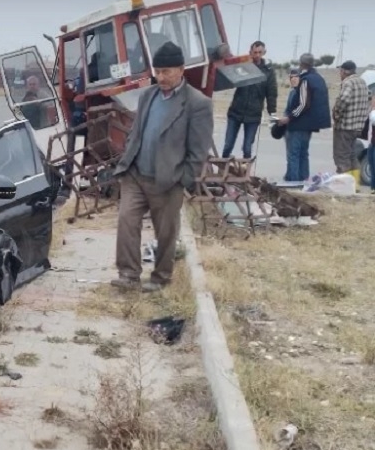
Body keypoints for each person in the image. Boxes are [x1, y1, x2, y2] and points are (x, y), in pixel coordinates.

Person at [111, 42, 213, 293]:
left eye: (166, 71)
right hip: (135, 174)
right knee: (126, 221)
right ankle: (129, 274)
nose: (161, 77)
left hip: (167, 180)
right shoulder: (148, 95)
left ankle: (160, 277)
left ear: (181, 70)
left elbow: (199, 150)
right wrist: (127, 157)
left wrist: (184, 179)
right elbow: (137, 130)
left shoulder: (197, 103)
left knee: (166, 232)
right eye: (157, 71)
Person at [278, 53, 332, 182]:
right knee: (303, 154)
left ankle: (293, 182)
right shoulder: (318, 78)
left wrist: (289, 118)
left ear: (301, 64)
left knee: (294, 154)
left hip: (298, 124)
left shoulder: (305, 80)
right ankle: (304, 181)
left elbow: (303, 104)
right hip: (309, 125)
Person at [222, 41, 278, 158]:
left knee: (247, 148)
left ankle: (245, 173)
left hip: (254, 115)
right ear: (250, 52)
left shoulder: (268, 72)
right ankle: (222, 171)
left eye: (260, 52)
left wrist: (272, 113)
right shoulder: (243, 66)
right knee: (228, 145)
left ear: (264, 53)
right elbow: (228, 73)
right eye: (255, 52)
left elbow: (271, 93)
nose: (257, 55)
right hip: (235, 112)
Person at [332, 60, 370, 185]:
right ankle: (355, 185)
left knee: (342, 157)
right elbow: (368, 101)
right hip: (357, 126)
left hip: (345, 126)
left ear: (344, 71)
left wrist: (336, 114)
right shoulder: (362, 82)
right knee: (353, 156)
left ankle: (344, 186)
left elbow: (343, 100)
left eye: (340, 71)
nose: (340, 73)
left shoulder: (348, 83)